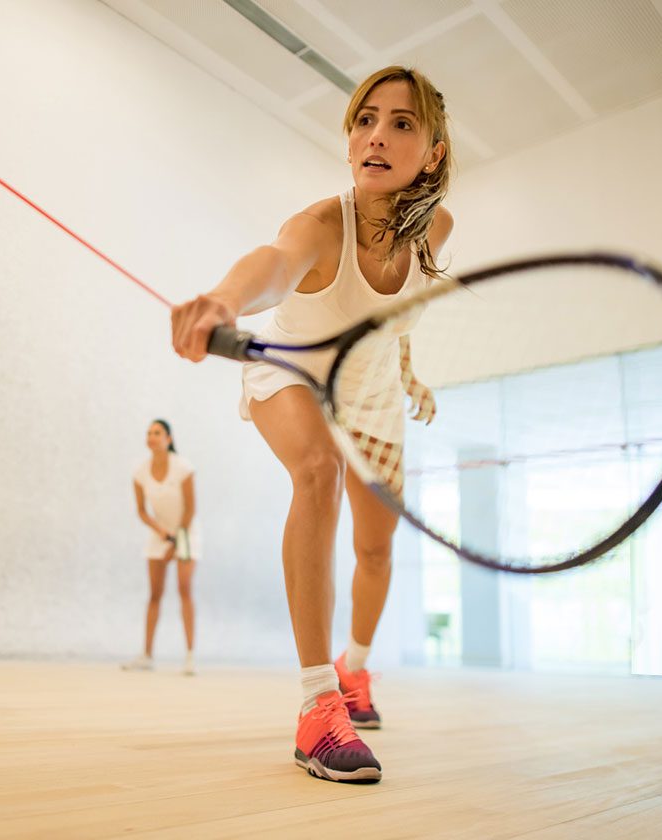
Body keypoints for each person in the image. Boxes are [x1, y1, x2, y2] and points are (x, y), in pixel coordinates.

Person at [172, 66, 452, 783]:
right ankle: (318, 705)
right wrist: (223, 300)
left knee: (376, 550)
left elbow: (394, 315)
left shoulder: (436, 229)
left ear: (434, 152)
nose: (376, 136)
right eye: (365, 119)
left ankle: (354, 670)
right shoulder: (322, 225)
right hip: (290, 369)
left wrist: (410, 371)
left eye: (401, 123)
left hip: (373, 394)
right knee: (317, 472)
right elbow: (275, 263)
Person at [123, 419, 201, 676]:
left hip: (186, 532)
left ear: (169, 438)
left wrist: (176, 541)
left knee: (184, 589)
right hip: (161, 533)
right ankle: (146, 655)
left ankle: (190, 656)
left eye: (157, 433)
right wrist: (162, 533)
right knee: (154, 594)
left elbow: (190, 509)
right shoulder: (140, 472)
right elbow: (141, 511)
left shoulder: (183, 468)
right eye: (149, 433)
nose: (152, 437)